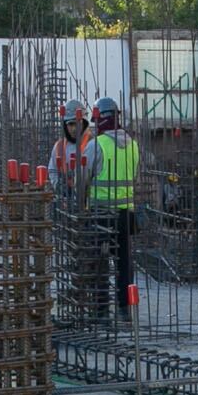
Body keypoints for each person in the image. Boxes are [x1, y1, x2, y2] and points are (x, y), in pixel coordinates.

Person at [80, 96, 138, 324]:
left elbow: (83, 179)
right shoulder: (133, 145)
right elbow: (135, 176)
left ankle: (101, 311)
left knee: (100, 263)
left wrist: (81, 203)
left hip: (101, 214)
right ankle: (125, 310)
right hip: (126, 214)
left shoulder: (97, 145)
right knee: (124, 263)